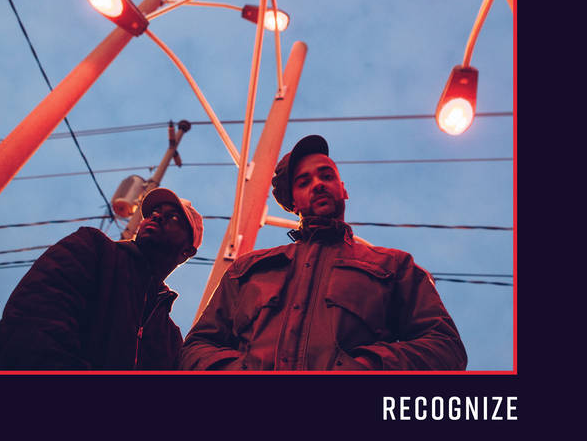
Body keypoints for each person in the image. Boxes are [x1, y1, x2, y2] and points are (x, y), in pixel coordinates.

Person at [180, 135, 467, 371]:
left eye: (326, 176)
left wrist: (366, 367)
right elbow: (196, 348)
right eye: (304, 182)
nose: (317, 184)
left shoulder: (394, 266)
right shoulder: (247, 269)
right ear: (294, 202)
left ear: (343, 189)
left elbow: (445, 347)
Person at [0, 187, 203, 371]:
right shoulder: (93, 248)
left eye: (172, 217)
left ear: (187, 251)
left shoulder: (169, 339)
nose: (157, 217)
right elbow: (33, 323)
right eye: (153, 213)